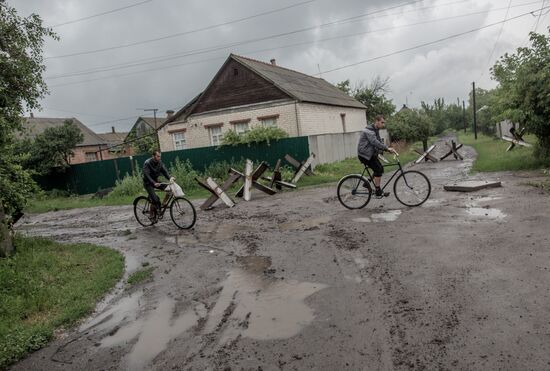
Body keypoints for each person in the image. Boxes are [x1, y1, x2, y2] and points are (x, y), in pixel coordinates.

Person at [357, 115, 398, 197]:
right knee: (378, 170)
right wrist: (387, 148)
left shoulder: (375, 129)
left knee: (380, 168)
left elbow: (379, 141)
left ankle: (367, 182)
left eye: (384, 123)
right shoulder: (369, 131)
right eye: (382, 122)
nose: (383, 125)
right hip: (364, 155)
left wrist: (387, 149)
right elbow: (375, 142)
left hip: (370, 153)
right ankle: (378, 191)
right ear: (376, 121)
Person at [143, 150, 172, 217]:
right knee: (155, 199)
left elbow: (165, 172)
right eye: (158, 156)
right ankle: (151, 215)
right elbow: (147, 175)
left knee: (170, 189)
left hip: (156, 181)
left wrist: (170, 178)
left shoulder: (160, 162)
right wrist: (154, 183)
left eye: (160, 156)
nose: (159, 158)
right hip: (148, 183)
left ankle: (163, 204)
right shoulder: (147, 163)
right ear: (153, 156)